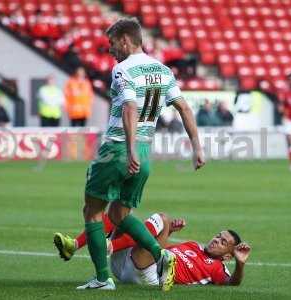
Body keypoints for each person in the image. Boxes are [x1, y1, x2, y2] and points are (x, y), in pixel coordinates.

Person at [76, 18, 205, 291]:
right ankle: (163, 256)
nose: (110, 50)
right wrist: (197, 147)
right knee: (121, 214)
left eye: (112, 44)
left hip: (118, 148)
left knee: (93, 212)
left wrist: (129, 147)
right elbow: (184, 108)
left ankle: (102, 279)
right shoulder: (163, 70)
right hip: (145, 152)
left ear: (125, 40)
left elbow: (129, 108)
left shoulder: (122, 69)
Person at [54, 212, 251, 287]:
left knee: (162, 218)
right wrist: (169, 232)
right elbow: (160, 249)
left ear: (227, 255)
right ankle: (73, 245)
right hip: (126, 264)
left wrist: (240, 265)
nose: (216, 240)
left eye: (223, 242)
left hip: (148, 276)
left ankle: (111, 245)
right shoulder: (192, 245)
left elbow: (231, 283)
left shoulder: (217, 268)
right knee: (117, 214)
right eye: (218, 236)